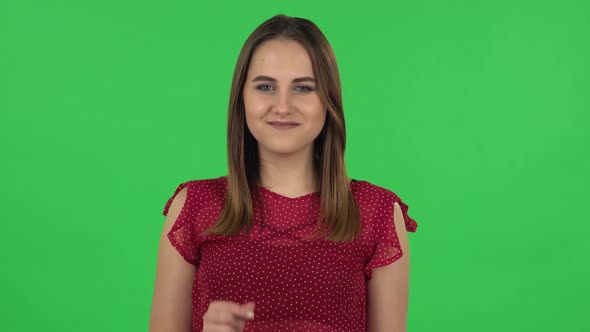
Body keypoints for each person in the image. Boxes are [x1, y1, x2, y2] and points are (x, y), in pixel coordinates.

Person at [149, 14, 418, 332]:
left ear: (327, 101)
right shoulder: (193, 205)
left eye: (303, 88)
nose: (282, 105)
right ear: (242, 98)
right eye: (265, 86)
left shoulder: (378, 213)